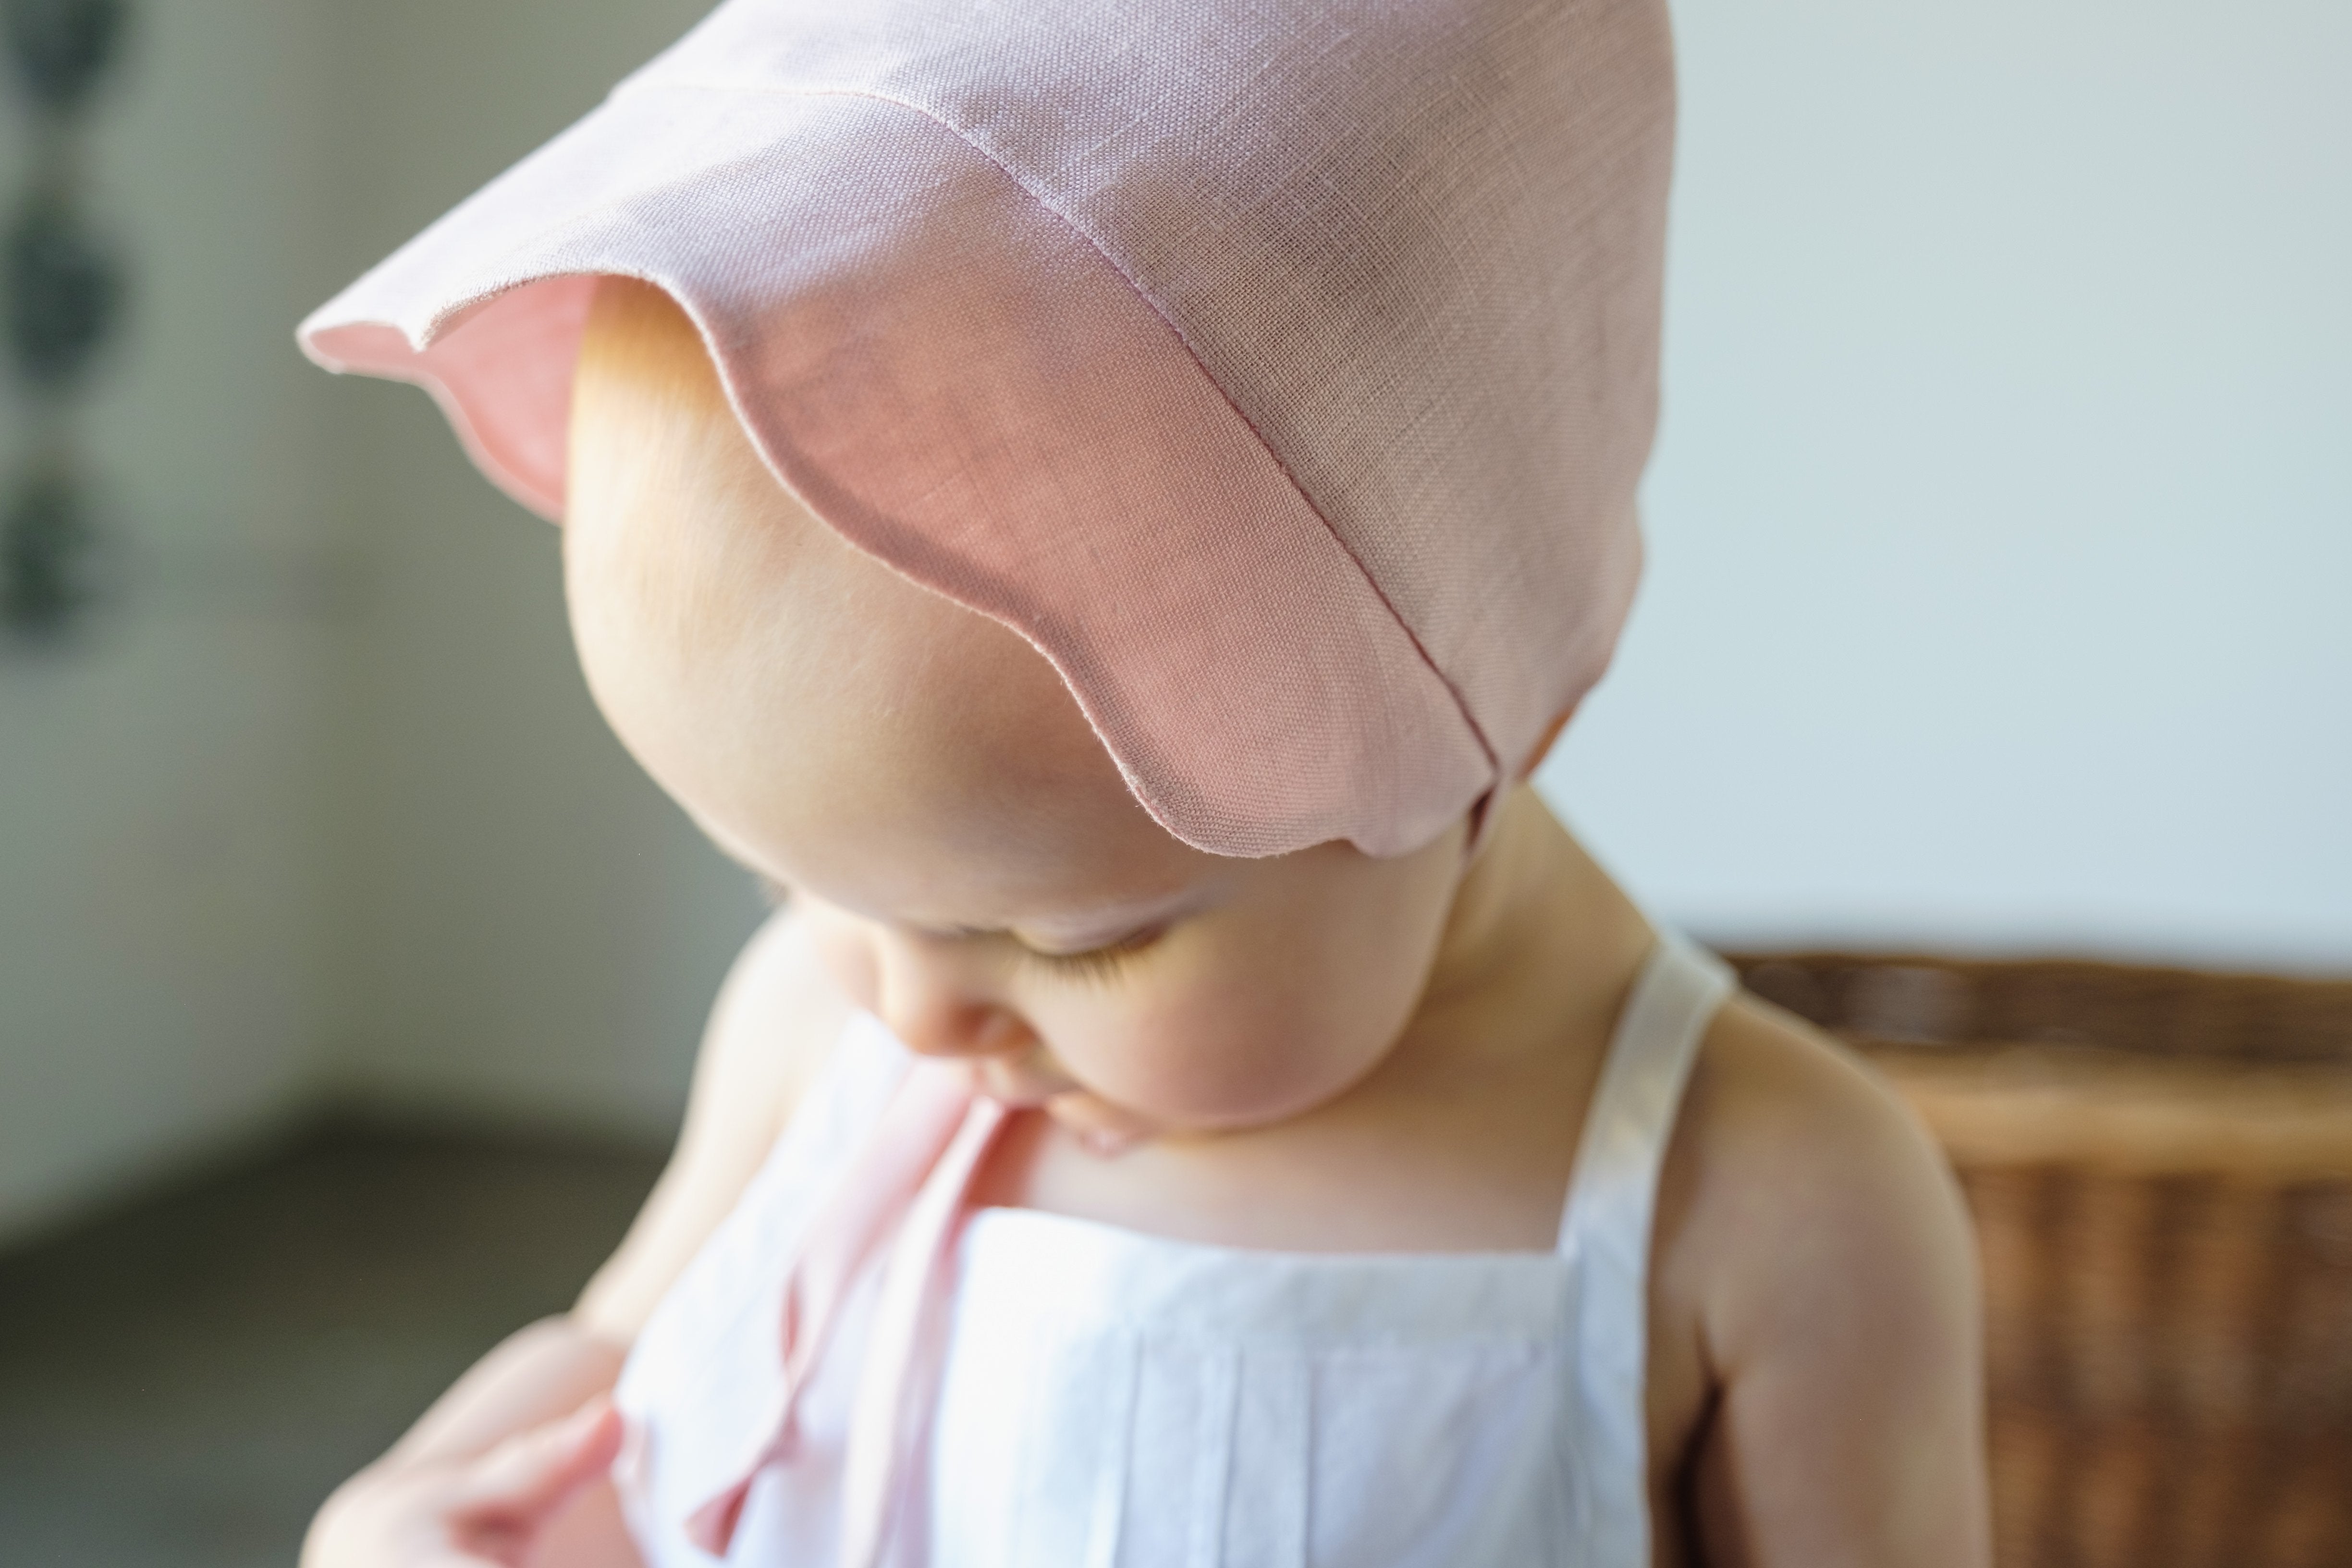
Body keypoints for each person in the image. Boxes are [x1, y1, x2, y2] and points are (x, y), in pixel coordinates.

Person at [296, 1, 1989, 1563]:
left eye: (1073, 939)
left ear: (1474, 712)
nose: (912, 1012)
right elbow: (622, 1376)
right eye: (792, 885)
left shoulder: (1771, 1212)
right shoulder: (814, 1033)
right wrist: (408, 1518)